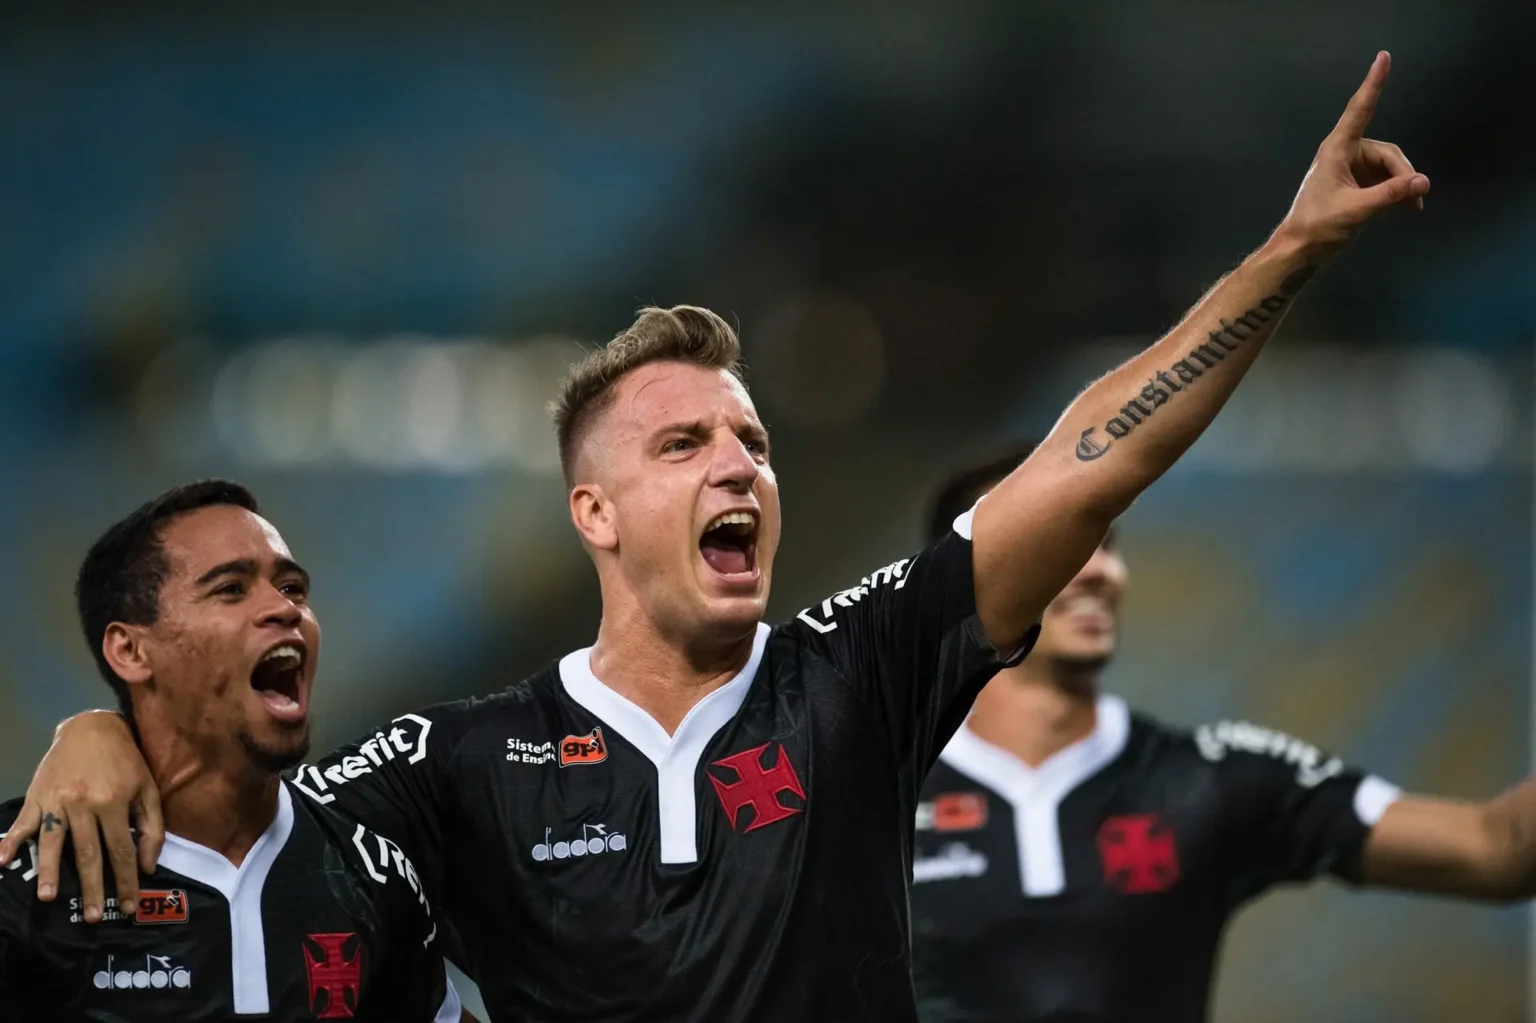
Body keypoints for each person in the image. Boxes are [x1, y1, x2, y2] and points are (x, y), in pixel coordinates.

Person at [1, 52, 1430, 1021]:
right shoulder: (460, 766)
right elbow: (247, 814)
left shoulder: (859, 673)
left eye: (752, 440)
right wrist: (105, 727)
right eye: (684, 442)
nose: (739, 461)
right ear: (596, 512)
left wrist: (1285, 253)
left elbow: (1092, 460)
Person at [911, 444, 1536, 1022]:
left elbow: (1497, 849)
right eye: (1060, 541)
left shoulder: (1208, 778)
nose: (1100, 569)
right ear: (957, 584)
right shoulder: (859, 794)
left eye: (1108, 543)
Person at [0, 482, 465, 1021]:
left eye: (292, 587)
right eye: (230, 589)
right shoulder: (27, 881)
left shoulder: (368, 874)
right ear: (130, 650)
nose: (283, 608)